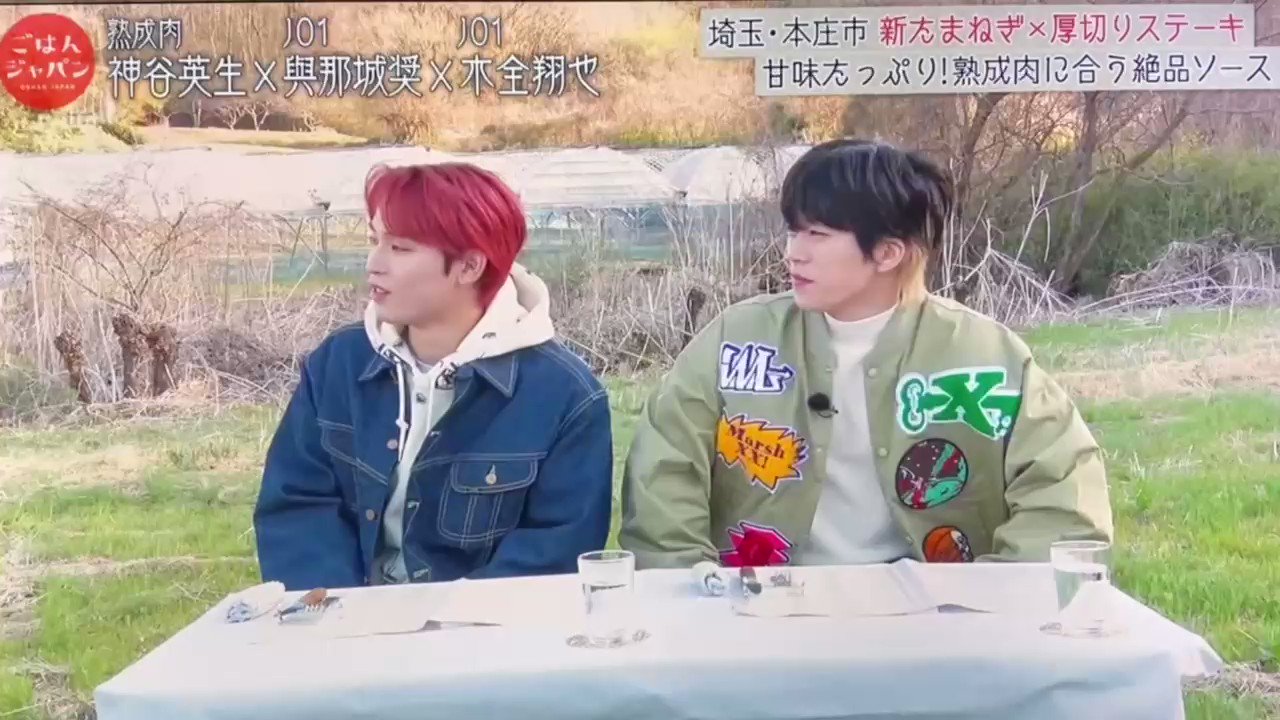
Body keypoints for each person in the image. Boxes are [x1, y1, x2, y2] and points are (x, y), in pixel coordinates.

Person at [618, 138, 1112, 571]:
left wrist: (998, 601)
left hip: (932, 612)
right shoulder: (738, 339)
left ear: (887, 253)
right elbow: (665, 470)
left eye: (817, 235)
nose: (793, 252)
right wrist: (690, 589)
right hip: (760, 604)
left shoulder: (984, 355)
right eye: (793, 231)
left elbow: (1061, 489)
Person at [254, 162, 614, 590]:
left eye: (400, 248)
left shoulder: (565, 395)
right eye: (373, 240)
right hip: (344, 619)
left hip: (487, 625)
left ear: (469, 266)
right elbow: (297, 506)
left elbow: (555, 550)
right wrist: (342, 612)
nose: (374, 263)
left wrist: (441, 623)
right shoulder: (338, 364)